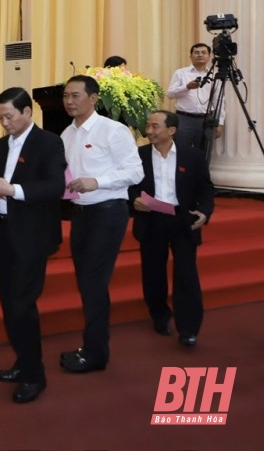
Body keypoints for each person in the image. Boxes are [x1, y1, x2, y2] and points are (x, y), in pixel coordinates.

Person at [0, 88, 66, 404]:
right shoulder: (1, 145)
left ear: (27, 112)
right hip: (5, 233)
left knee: (21, 305)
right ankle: (23, 360)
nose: (4, 123)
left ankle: (34, 375)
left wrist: (13, 190)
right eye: (0, 117)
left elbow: (54, 186)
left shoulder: (48, 142)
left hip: (32, 237)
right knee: (9, 303)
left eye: (9, 116)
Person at [59, 74, 143, 373]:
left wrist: (97, 181)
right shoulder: (67, 134)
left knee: (93, 282)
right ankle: (93, 347)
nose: (69, 101)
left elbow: (135, 172)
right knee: (87, 281)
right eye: (66, 96)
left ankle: (95, 353)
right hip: (80, 214)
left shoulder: (113, 130)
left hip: (107, 214)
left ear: (93, 98)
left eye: (75, 95)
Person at [129, 110, 214, 347]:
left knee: (186, 274)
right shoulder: (139, 156)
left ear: (172, 130)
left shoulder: (193, 156)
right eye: (148, 126)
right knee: (153, 273)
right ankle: (160, 316)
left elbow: (206, 188)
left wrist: (205, 212)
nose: (149, 131)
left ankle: (188, 328)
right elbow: (127, 185)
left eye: (155, 126)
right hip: (151, 219)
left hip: (183, 220)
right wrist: (134, 200)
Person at [166, 43, 224, 149]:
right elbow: (170, 94)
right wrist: (187, 87)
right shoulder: (180, 73)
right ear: (191, 56)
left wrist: (220, 122)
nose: (200, 55)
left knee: (204, 152)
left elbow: (219, 100)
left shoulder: (215, 75)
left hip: (206, 119)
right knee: (181, 151)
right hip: (184, 119)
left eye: (203, 53)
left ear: (209, 56)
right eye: (196, 53)